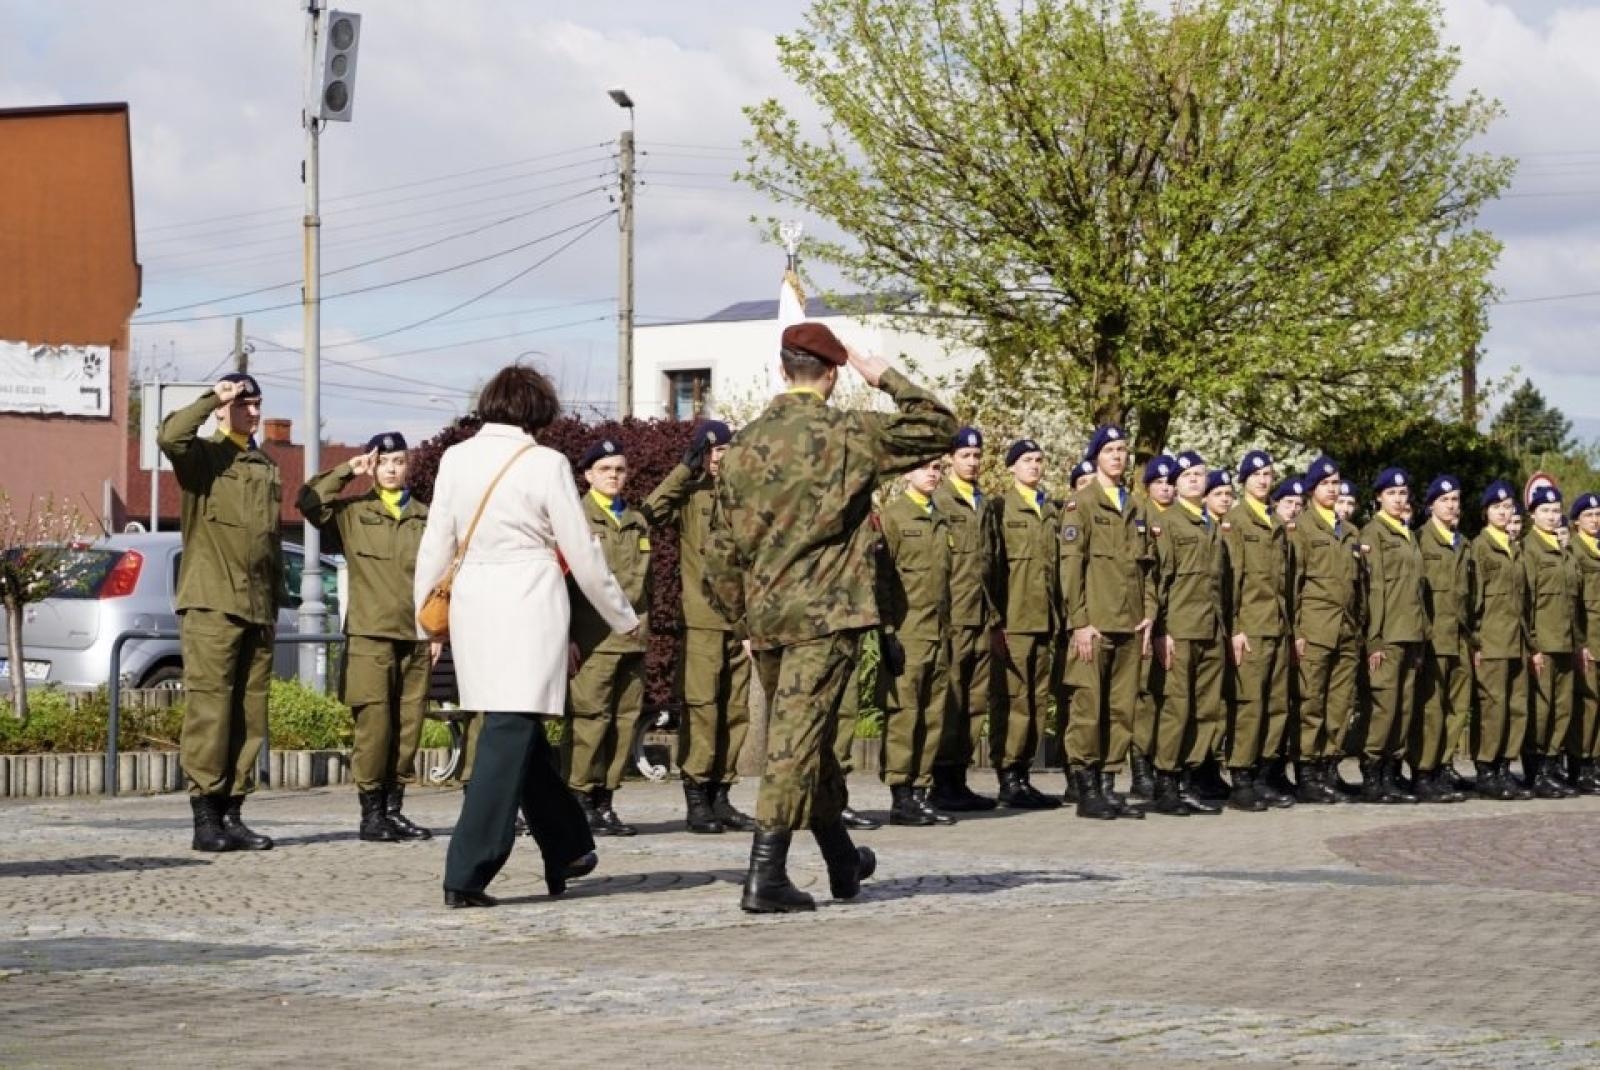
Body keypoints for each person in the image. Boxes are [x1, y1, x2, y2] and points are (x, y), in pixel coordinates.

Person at [705, 322, 956, 913]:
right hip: (825, 615)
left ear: (781, 368)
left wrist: (740, 617)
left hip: (767, 616)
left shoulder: (741, 444)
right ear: (834, 373)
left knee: (805, 739)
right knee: (795, 742)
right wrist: (884, 376)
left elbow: (718, 550)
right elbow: (939, 427)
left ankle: (842, 857)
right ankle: (765, 875)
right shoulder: (848, 433)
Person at [418, 364, 639, 909]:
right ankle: (467, 869)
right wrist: (622, 615)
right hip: (529, 600)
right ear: (539, 410)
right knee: (508, 730)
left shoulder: (456, 458)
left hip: (472, 602)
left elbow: (435, 541)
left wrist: (422, 618)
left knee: (515, 729)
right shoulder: (546, 463)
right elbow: (582, 550)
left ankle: (566, 846)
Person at [158, 373, 284, 853]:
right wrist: (214, 395)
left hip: (255, 608)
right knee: (210, 710)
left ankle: (233, 813)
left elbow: (268, 547)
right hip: (211, 603)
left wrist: (272, 604)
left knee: (249, 714)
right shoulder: (204, 459)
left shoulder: (266, 466)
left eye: (256, 403)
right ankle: (204, 817)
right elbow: (170, 435)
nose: (251, 410)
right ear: (222, 408)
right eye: (242, 403)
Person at [299, 432, 437, 842]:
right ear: (374, 467)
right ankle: (371, 813)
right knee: (374, 725)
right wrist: (348, 470)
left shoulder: (427, 517)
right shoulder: (353, 514)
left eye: (398, 461)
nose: (392, 468)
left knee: (407, 726)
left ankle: (395, 809)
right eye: (384, 462)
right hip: (370, 635)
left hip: (416, 635)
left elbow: (443, 575)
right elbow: (308, 502)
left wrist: (438, 631)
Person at [639, 420, 757, 834]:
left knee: (735, 711)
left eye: (726, 450)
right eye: (713, 451)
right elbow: (651, 511)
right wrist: (684, 470)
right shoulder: (691, 495)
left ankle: (721, 795)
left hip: (742, 621)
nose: (721, 458)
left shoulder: (747, 496)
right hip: (702, 618)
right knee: (702, 709)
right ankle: (696, 795)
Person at [561, 438, 654, 838]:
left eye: (619, 469)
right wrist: (564, 636)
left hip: (632, 638)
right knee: (588, 720)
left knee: (623, 721)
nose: (614, 476)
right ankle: (578, 799)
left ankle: (605, 801)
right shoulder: (574, 519)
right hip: (592, 638)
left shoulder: (635, 520)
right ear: (587, 475)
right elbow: (560, 583)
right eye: (605, 470)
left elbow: (645, 584)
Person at [1060, 425, 1154, 820]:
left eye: (1122, 449)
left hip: (1129, 625)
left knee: (1121, 710)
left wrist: (1149, 611)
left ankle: (1108, 785)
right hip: (1095, 625)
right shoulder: (1080, 505)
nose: (1118, 456)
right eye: (1110, 449)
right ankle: (1086, 787)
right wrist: (1079, 622)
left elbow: (1149, 567)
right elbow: (1070, 567)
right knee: (1087, 708)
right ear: (1096, 455)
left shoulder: (1136, 506)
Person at [1145, 451, 1225, 816]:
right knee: (1177, 709)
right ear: (1175, 484)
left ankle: (1191, 777)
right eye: (1188, 475)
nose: (1195, 480)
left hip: (1211, 628)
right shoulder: (1170, 524)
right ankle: (1166, 781)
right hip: (1180, 627)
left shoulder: (1210, 525)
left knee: (1206, 710)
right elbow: (1160, 580)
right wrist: (1160, 630)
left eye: (1200, 474)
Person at [878, 458, 957, 826]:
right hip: (908, 632)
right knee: (904, 716)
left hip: (939, 632)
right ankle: (901, 793)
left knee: (932, 716)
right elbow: (884, 580)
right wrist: (887, 632)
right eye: (925, 467)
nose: (932, 473)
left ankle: (922, 790)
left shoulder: (941, 517)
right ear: (907, 472)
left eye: (938, 468)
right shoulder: (894, 517)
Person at [929, 427, 1003, 812]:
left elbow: (991, 564)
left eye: (977, 457)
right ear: (951, 460)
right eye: (965, 456)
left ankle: (959, 777)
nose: (972, 463)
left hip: (980, 614)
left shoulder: (984, 504)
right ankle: (940, 779)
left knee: (975, 701)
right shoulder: (940, 500)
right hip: (952, 616)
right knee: (951, 700)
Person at [1220, 450, 1295, 810]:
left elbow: (1286, 582)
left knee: (1276, 704)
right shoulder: (1236, 521)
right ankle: (1242, 777)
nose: (1264, 480)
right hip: (1250, 625)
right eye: (1257, 474)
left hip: (1277, 625)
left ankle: (1265, 774)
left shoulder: (1276, 522)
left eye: (1268, 474)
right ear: (1244, 480)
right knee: (1249, 704)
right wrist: (1234, 627)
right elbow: (1230, 581)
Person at [992, 439, 1064, 809]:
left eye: (1038, 460)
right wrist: (997, 619)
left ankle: (1023, 774)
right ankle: (1007, 775)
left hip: (1042, 619)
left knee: (1036, 702)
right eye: (1026, 461)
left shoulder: (1049, 509)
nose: (1034, 466)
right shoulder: (1001, 508)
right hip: (1014, 619)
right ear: (1012, 467)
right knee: (1015, 701)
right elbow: (994, 568)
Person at [1288, 456, 1361, 804]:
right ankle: (1307, 772)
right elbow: (1294, 583)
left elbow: (1357, 585)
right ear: (1313, 488)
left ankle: (1328, 767)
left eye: (1336, 484)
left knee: (1339, 704)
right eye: (1326, 484)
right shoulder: (1301, 528)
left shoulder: (1349, 531)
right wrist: (1297, 631)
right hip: (1315, 628)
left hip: (1346, 629)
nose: (1332, 489)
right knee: (1310, 702)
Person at [1358, 467, 1427, 804]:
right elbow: (1375, 592)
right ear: (1379, 498)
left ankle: (1391, 772)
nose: (1400, 499)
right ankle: (1372, 773)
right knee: (1384, 707)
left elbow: (1416, 590)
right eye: (1392, 494)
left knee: (1403, 708)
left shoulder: (1407, 533)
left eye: (1403, 494)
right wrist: (1374, 639)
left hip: (1411, 633)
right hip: (1387, 636)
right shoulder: (1374, 534)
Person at [1521, 485, 1587, 798]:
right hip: (1543, 643)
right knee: (1541, 709)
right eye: (1545, 511)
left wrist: (1578, 643)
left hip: (1565, 641)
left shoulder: (1566, 550)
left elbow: (1575, 599)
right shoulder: (1529, 549)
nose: (1551, 516)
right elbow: (1525, 603)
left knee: (1562, 709)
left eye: (1555, 510)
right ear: (1532, 514)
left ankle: (1551, 765)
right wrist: (1532, 646)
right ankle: (1535, 769)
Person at [1468, 480, 1532, 799]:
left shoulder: (1515, 547)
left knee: (1516, 706)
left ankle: (1505, 766)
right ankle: (1486, 768)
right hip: (1492, 640)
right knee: (1493, 708)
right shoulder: (1480, 548)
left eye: (1508, 507)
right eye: (1498, 508)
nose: (1504, 513)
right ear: (1485, 513)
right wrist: (1476, 642)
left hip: (1517, 640)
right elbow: (1474, 601)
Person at [1410, 475, 1471, 803]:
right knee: (1431, 709)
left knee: (1457, 709)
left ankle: (1442, 765)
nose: (1452, 506)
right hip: (1433, 637)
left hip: (1460, 638)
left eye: (1456, 500)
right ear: (1431, 504)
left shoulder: (1463, 543)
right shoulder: (1421, 539)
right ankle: (1423, 771)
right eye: (1446, 500)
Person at [1130, 455, 1178, 801]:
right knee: (1146, 697)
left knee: (1169, 699)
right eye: (1159, 482)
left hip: (1176, 618)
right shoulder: (1140, 517)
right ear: (1147, 487)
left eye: (1170, 482)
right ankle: (1141, 766)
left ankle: (1165, 766)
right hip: (1149, 620)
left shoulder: (1179, 519)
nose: (1166, 487)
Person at [1569, 492, 1600, 791]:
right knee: (1586, 703)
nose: (1595, 520)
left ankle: (1596, 760)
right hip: (1588, 636)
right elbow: (1574, 603)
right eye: (1589, 516)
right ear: (1577, 521)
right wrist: (1580, 642)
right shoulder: (1574, 552)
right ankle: (1581, 763)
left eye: (1598, 515)